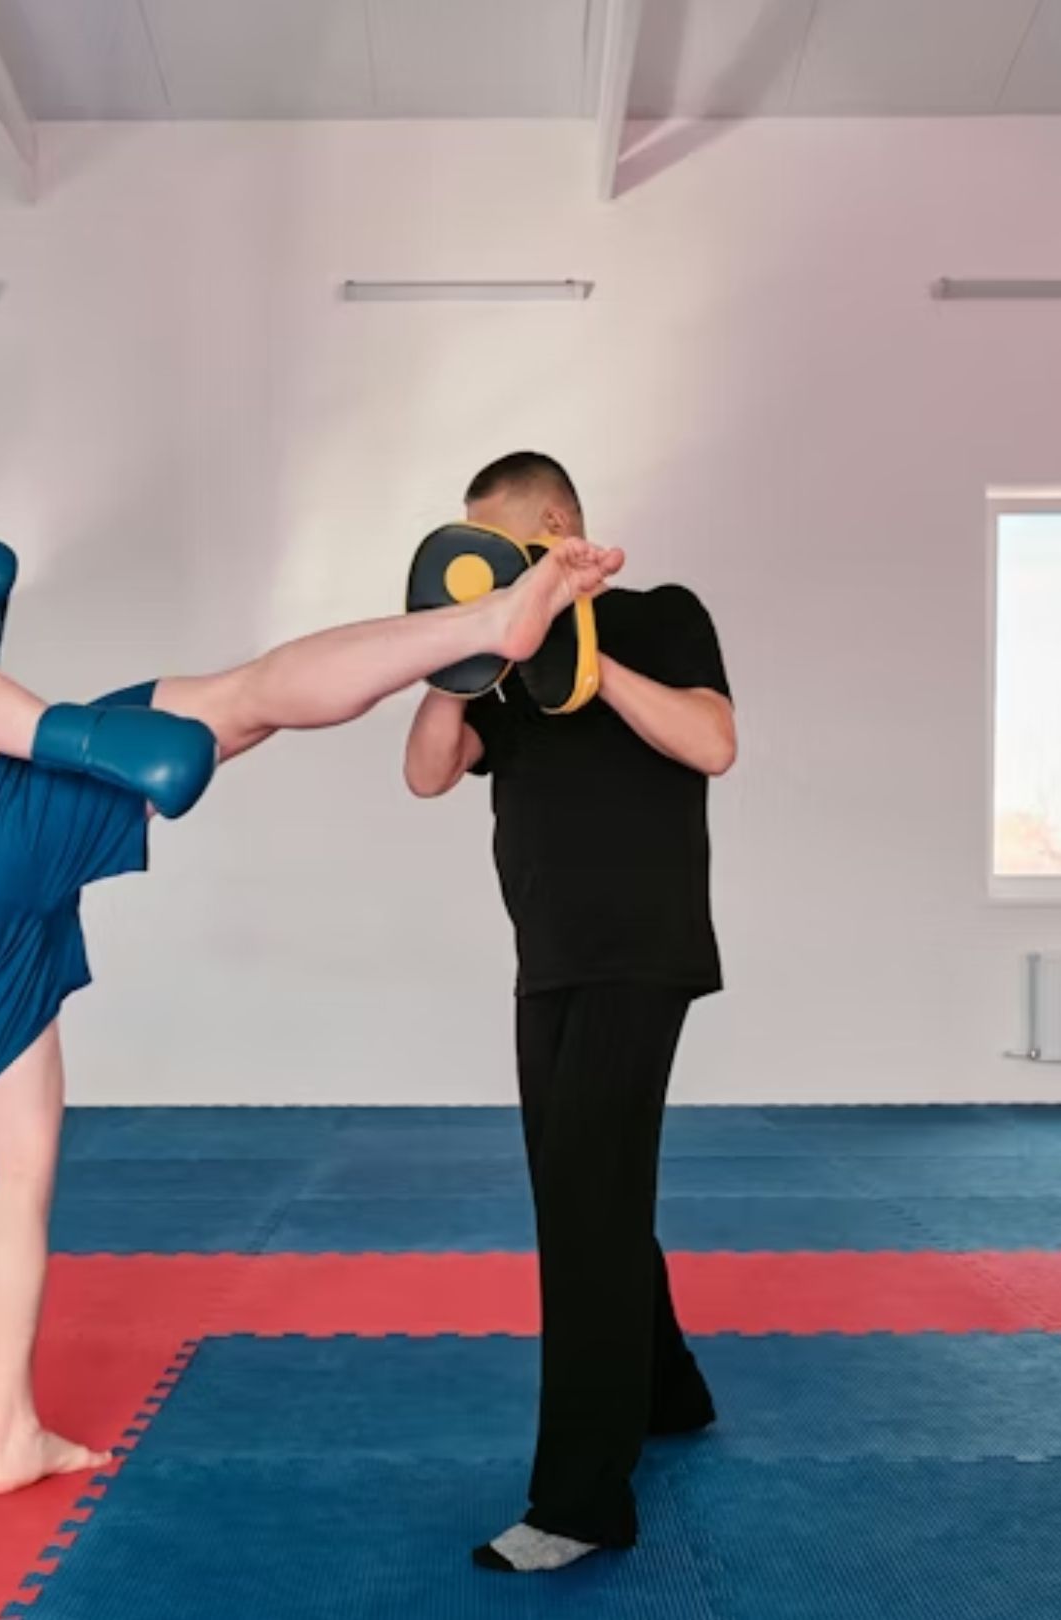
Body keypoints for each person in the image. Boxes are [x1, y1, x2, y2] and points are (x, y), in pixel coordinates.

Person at [0, 448, 615, 1496]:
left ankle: (12, 1437)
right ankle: (488, 625)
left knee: (20, 1170)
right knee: (249, 693)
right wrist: (90, 741)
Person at [403, 451, 736, 1575]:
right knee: (581, 1185)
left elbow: (713, 743)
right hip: (546, 961)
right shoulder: (504, 664)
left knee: (587, 1203)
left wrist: (595, 671)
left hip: (642, 954)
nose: (492, 573)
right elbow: (427, 777)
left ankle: (583, 1501)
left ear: (554, 524)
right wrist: (454, 665)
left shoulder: (662, 614)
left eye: (502, 549)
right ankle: (669, 1389)